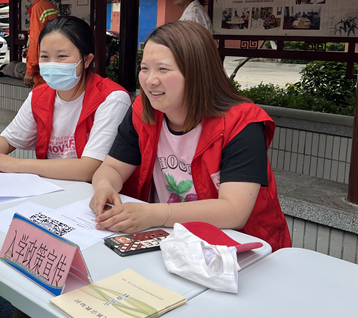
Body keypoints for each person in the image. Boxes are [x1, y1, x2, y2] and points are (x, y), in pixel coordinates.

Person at [90, 21, 291, 252]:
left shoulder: (243, 123)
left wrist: (155, 213)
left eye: (163, 69)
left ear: (196, 72)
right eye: (145, 68)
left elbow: (234, 211)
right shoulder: (142, 113)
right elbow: (113, 168)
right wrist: (104, 188)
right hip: (172, 241)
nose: (150, 80)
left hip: (242, 251)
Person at [0, 16, 131, 183]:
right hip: (52, 190)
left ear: (86, 60)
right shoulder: (39, 95)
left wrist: (18, 164)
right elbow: (9, 140)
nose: (52, 63)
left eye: (62, 56)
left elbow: (89, 169)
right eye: (45, 57)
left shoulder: (112, 99)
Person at [22, 0, 59, 88]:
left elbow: (36, 40)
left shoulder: (38, 8)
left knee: (40, 100)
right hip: (52, 61)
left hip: (42, 67)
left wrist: (30, 71)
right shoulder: (50, 6)